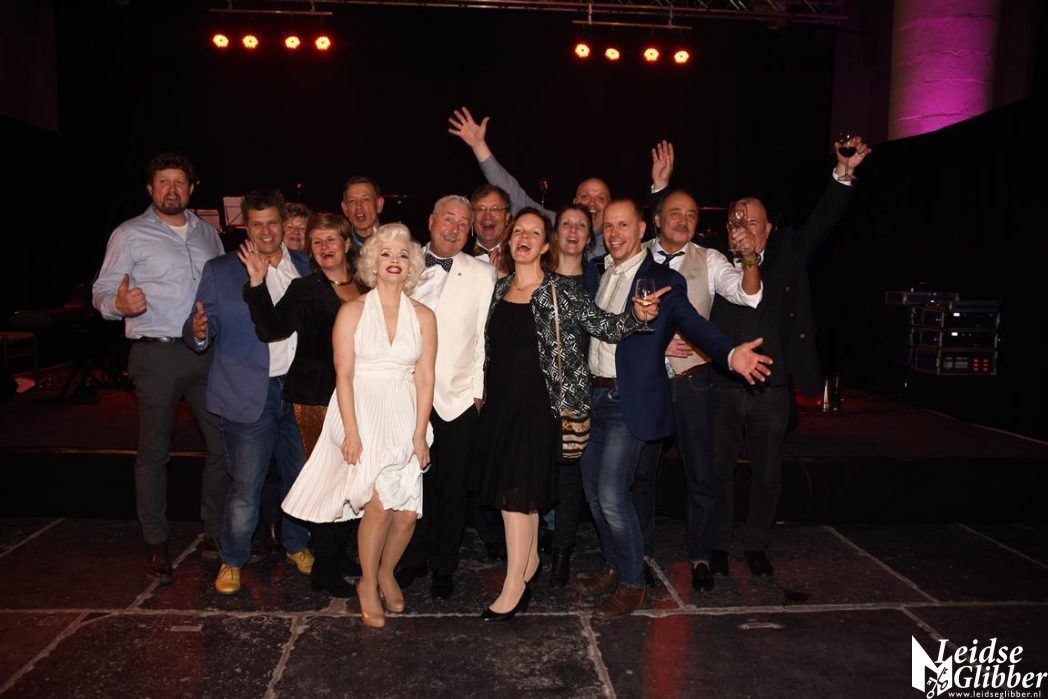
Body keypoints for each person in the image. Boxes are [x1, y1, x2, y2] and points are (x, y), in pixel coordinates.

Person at [579, 198, 773, 619]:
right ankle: (615, 565)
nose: (614, 233)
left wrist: (730, 355)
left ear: (640, 229)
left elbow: (694, 324)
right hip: (595, 398)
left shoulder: (662, 280)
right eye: (609, 226)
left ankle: (633, 583)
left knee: (612, 495)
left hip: (628, 401)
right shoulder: (598, 273)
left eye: (623, 225)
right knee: (593, 494)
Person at [474, 208, 659, 621]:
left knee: (516, 498)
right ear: (509, 241)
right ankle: (528, 563)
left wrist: (637, 316)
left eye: (533, 233)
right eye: (518, 232)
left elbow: (606, 326)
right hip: (501, 407)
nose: (524, 238)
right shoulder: (499, 288)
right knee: (517, 494)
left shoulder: (561, 290)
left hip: (540, 408)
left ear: (545, 246)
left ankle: (514, 585)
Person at [710, 136, 871, 578]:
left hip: (771, 389)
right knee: (718, 471)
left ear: (768, 229)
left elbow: (824, 220)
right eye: (735, 219)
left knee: (768, 475)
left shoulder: (789, 251)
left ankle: (755, 543)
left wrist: (843, 175)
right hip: (723, 387)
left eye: (751, 220)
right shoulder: (713, 261)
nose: (742, 225)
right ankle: (717, 543)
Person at [282, 224, 436, 629]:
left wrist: (420, 432)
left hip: (405, 413)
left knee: (407, 513)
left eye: (402, 255)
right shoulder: (351, 311)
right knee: (379, 506)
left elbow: (425, 377)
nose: (394, 261)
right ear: (372, 261)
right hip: (363, 412)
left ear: (411, 265)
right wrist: (350, 432)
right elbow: (344, 375)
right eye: (386, 253)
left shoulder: (424, 316)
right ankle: (368, 581)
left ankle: (386, 571)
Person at [91, 152, 227, 583]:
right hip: (156, 355)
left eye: (179, 182)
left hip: (206, 352)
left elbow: (222, 288)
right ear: (150, 188)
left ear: (192, 188)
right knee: (154, 451)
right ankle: (156, 541)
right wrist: (118, 304)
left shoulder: (209, 234)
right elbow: (102, 290)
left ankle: (214, 531)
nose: (172, 189)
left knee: (223, 445)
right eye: (163, 182)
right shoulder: (129, 233)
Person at [634, 182, 763, 593]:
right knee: (642, 472)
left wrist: (749, 258)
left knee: (702, 473)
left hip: (694, 382)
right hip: (648, 382)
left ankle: (701, 555)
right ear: (657, 219)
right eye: (675, 212)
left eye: (691, 215)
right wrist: (653, 341)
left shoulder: (709, 259)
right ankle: (639, 554)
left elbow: (748, 295)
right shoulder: (635, 254)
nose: (684, 220)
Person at [184, 189, 314, 596]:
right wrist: (198, 331)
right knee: (245, 486)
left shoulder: (305, 266)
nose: (266, 231)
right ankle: (233, 558)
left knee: (300, 477)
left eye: (272, 222)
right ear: (246, 227)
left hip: (297, 391)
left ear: (283, 224)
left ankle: (297, 544)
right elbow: (198, 326)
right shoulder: (221, 270)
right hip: (247, 394)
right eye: (256, 224)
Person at [242, 212, 363, 597]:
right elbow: (271, 330)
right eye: (317, 242)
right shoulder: (304, 288)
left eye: (331, 239)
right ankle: (323, 567)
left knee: (353, 478)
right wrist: (257, 283)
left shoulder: (366, 283)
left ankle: (337, 553)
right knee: (327, 479)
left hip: (360, 397)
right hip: (315, 399)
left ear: (347, 243)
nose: (325, 247)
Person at [395, 195, 497, 600]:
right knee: (410, 483)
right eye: (448, 219)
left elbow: (484, 337)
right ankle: (412, 557)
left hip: (457, 398)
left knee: (452, 488)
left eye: (463, 223)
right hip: (405, 395)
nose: (454, 228)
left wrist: (478, 391)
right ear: (431, 220)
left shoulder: (483, 273)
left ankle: (444, 564)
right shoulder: (403, 262)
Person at [547, 204, 594, 586]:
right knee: (535, 473)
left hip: (582, 395)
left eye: (581, 226)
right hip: (538, 393)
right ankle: (529, 549)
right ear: (556, 232)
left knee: (569, 476)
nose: (574, 231)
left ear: (589, 238)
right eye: (567, 224)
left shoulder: (599, 281)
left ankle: (561, 552)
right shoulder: (536, 278)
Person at [470, 184, 512, 268]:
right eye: (481, 209)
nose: (487, 216)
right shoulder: (458, 253)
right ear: (472, 217)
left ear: (507, 218)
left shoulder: (519, 256)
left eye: (495, 209)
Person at [341, 176, 384, 250]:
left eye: (365, 199)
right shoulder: (340, 248)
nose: (358, 206)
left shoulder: (397, 241)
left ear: (379, 205)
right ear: (345, 209)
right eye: (352, 201)